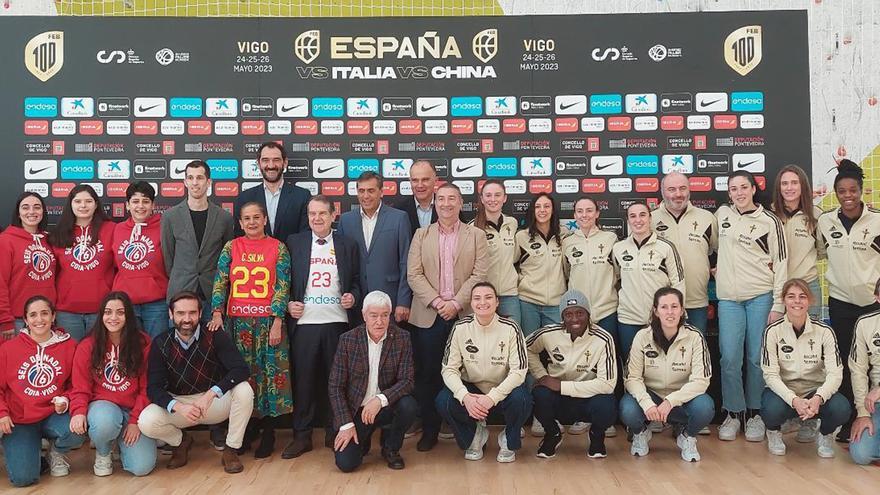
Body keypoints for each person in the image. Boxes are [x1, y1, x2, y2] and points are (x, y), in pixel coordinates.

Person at [407, 183, 488, 451]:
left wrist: (455, 303)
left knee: (467, 374)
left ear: (460, 202)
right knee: (429, 375)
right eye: (441, 199)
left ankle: (464, 429)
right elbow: (414, 275)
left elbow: (479, 274)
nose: (446, 204)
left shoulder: (476, 235)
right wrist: (438, 302)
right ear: (434, 202)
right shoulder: (421, 234)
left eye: (452, 199)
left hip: (464, 315)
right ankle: (429, 430)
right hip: (429, 315)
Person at [208, 201, 292, 458]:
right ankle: (244, 431)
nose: (252, 222)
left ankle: (269, 432)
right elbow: (220, 280)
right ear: (240, 222)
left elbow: (282, 285)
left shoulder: (278, 248)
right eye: (247, 218)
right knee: (242, 378)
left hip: (267, 323)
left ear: (265, 219)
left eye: (257, 217)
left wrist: (278, 319)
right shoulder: (231, 247)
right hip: (238, 324)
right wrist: (217, 312)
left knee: (269, 378)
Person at [138, 291, 253, 473]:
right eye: (181, 313)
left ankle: (231, 450)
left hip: (213, 403)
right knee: (146, 421)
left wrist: (211, 394)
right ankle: (181, 442)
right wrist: (178, 406)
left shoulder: (215, 335)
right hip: (181, 406)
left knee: (244, 390)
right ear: (171, 314)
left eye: (192, 313)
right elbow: (154, 388)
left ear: (200, 314)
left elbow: (241, 369)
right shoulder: (161, 342)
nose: (187, 318)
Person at [283, 196, 361, 459]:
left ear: (333, 215)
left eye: (322, 214)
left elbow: (357, 281)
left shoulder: (347, 244)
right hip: (304, 323)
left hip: (337, 323)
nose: (316, 218)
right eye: (312, 214)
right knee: (303, 382)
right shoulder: (294, 243)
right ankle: (302, 435)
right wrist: (287, 305)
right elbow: (281, 280)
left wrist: (353, 296)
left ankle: (333, 430)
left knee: (335, 381)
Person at [715, 170, 787, 442]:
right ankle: (734, 413)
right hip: (729, 300)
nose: (739, 193)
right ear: (729, 193)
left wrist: (778, 303)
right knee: (730, 358)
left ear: (754, 189)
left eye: (744, 187)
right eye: (733, 189)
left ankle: (756, 414)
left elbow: (781, 263)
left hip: (760, 297)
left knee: (756, 359)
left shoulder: (769, 220)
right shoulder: (722, 215)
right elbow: (715, 246)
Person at [817, 159, 880, 442]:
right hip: (841, 302)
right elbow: (819, 252)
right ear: (836, 193)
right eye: (842, 191)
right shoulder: (825, 221)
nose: (848, 196)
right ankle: (849, 420)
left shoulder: (877, 219)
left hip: (872, 303)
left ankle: (872, 413)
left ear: (862, 191)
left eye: (853, 190)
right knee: (843, 361)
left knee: (870, 361)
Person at [436, 282, 530, 463]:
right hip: (473, 391)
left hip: (501, 391)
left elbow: (519, 371)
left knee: (523, 398)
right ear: (471, 303)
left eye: (488, 297)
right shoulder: (460, 328)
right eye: (477, 298)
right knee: (444, 400)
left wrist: (492, 397)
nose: (483, 302)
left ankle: (508, 440)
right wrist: (466, 397)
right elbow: (448, 369)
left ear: (497, 302)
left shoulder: (512, 328)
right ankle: (475, 436)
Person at [620, 287, 714, 462]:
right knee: (627, 409)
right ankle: (641, 433)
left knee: (705, 407)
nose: (669, 312)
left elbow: (701, 380)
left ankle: (687, 436)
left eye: (674, 306)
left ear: (682, 310)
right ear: (655, 311)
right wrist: (647, 403)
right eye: (664, 307)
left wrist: (672, 401)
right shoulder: (642, 337)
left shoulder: (695, 337)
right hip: (652, 399)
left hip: (681, 400)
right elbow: (632, 378)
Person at [69, 291, 156, 477]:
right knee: (104, 423)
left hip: (133, 410)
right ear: (101, 316)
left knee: (141, 468)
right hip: (103, 407)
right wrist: (78, 411)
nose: (113, 317)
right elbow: (80, 387)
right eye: (108, 312)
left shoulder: (143, 343)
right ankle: (103, 451)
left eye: (120, 312)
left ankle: (121, 445)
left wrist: (134, 422)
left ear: (129, 316)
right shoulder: (87, 346)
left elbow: (146, 388)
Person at [0, 296, 84, 487]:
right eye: (33, 315)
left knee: (79, 427)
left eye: (45, 313)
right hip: (19, 420)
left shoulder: (69, 346)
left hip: (53, 415)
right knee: (24, 479)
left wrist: (66, 399)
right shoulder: (8, 349)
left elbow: (78, 385)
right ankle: (33, 458)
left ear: (53, 316)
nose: (39, 320)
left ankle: (56, 452)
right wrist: (2, 413)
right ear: (26, 319)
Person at [329, 291, 417, 472]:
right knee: (347, 464)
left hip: (385, 406)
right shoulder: (348, 340)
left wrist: (380, 399)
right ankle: (364, 437)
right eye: (374, 315)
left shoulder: (402, 338)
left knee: (409, 406)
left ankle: (390, 447)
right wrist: (346, 424)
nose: (379, 321)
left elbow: (407, 380)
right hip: (356, 410)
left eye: (385, 315)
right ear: (364, 316)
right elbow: (335, 386)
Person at [760, 278, 850, 457]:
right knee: (771, 409)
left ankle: (824, 434)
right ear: (784, 300)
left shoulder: (825, 331)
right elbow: (770, 375)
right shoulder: (772, 331)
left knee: (842, 408)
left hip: (813, 391)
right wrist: (793, 400)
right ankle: (773, 432)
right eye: (791, 296)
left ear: (810, 300)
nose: (797, 301)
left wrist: (819, 397)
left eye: (802, 297)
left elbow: (835, 374)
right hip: (785, 392)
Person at [527, 289, 617, 459]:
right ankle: (552, 434)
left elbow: (608, 384)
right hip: (559, 400)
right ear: (562, 317)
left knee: (607, 403)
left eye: (580, 313)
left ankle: (597, 436)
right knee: (539, 395)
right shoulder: (548, 333)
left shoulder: (603, 338)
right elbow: (525, 349)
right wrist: (541, 375)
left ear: (588, 314)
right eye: (568, 314)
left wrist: (561, 386)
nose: (574, 319)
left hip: (588, 398)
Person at [162, 159, 234, 321]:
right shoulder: (170, 216)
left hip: (213, 297)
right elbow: (168, 258)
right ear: (185, 182)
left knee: (212, 345)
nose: (195, 183)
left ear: (209, 182)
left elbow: (227, 258)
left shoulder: (224, 218)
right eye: (191, 178)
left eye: (200, 178)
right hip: (181, 295)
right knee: (178, 346)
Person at [337, 171, 412, 324]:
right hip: (356, 302)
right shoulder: (346, 220)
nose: (366, 196)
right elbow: (341, 262)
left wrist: (403, 301)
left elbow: (406, 261)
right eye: (361, 191)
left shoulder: (399, 218)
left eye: (371, 190)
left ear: (381, 192)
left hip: (389, 300)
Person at [613, 202, 685, 360]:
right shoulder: (618, 248)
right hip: (628, 319)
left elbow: (678, 284)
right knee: (631, 367)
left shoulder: (666, 247)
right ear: (628, 220)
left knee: (661, 365)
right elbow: (616, 278)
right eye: (633, 216)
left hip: (660, 318)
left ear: (650, 218)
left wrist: (677, 314)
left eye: (642, 215)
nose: (638, 220)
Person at [652, 172, 718, 334]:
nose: (678, 194)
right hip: (662, 305)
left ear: (689, 190)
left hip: (696, 302)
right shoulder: (649, 220)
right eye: (671, 189)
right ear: (662, 192)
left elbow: (718, 251)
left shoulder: (707, 218)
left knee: (695, 354)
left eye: (683, 188)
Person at [50, 185, 115, 341]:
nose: (83, 205)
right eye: (78, 201)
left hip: (102, 310)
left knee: (99, 358)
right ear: (70, 204)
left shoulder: (112, 229)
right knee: (70, 358)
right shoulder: (59, 233)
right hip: (67, 312)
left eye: (88, 201)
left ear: (96, 204)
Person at [111, 182, 169, 338]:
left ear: (153, 205)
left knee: (157, 350)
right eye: (135, 201)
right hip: (125, 302)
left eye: (145, 201)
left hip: (156, 303)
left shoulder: (164, 226)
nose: (140, 206)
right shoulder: (118, 229)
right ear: (127, 205)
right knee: (131, 352)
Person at [0, 192, 57, 338]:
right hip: (18, 319)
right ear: (18, 213)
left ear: (43, 212)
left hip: (47, 317)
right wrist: (5, 320)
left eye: (36, 207)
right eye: (25, 207)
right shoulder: (6, 241)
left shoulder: (49, 240)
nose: (31, 212)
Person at [772, 165, 825, 318]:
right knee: (780, 339)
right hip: (778, 288)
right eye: (784, 183)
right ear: (779, 188)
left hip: (808, 285)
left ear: (803, 185)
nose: (789, 188)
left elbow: (821, 251)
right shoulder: (770, 215)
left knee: (811, 339)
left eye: (794, 183)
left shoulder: (816, 215)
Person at [563, 197, 619, 337]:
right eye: (579, 211)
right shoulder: (567, 242)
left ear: (597, 213)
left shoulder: (610, 238)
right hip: (578, 312)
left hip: (607, 310)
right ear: (574, 215)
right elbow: (566, 272)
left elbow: (618, 272)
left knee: (609, 355)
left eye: (589, 210)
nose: (584, 215)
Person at [235, 141, 311, 241]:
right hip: (255, 256)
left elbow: (304, 238)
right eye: (265, 160)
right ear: (258, 164)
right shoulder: (244, 198)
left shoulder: (302, 196)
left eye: (276, 160)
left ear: (285, 163)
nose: (271, 165)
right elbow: (239, 239)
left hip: (291, 255)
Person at [515, 193, 567, 336]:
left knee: (556, 349)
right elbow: (510, 264)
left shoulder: (564, 234)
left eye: (547, 206)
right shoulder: (522, 237)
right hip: (528, 302)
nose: (542, 210)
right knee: (529, 347)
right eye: (538, 206)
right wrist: (522, 282)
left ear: (553, 210)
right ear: (532, 210)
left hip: (556, 303)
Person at [471, 180, 520, 325]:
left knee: (513, 338)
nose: (493, 199)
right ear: (482, 198)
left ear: (504, 198)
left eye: (497, 195)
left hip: (509, 294)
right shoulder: (472, 227)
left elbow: (516, 256)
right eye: (488, 195)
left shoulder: (512, 223)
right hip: (483, 297)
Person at [848, 277, 880, 464]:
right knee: (861, 453)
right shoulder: (865, 324)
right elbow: (858, 370)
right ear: (877, 297)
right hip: (876, 403)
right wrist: (862, 413)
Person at [395, 160, 439, 237]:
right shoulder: (398, 210)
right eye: (415, 180)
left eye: (425, 179)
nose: (420, 185)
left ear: (435, 180)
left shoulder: (448, 207)